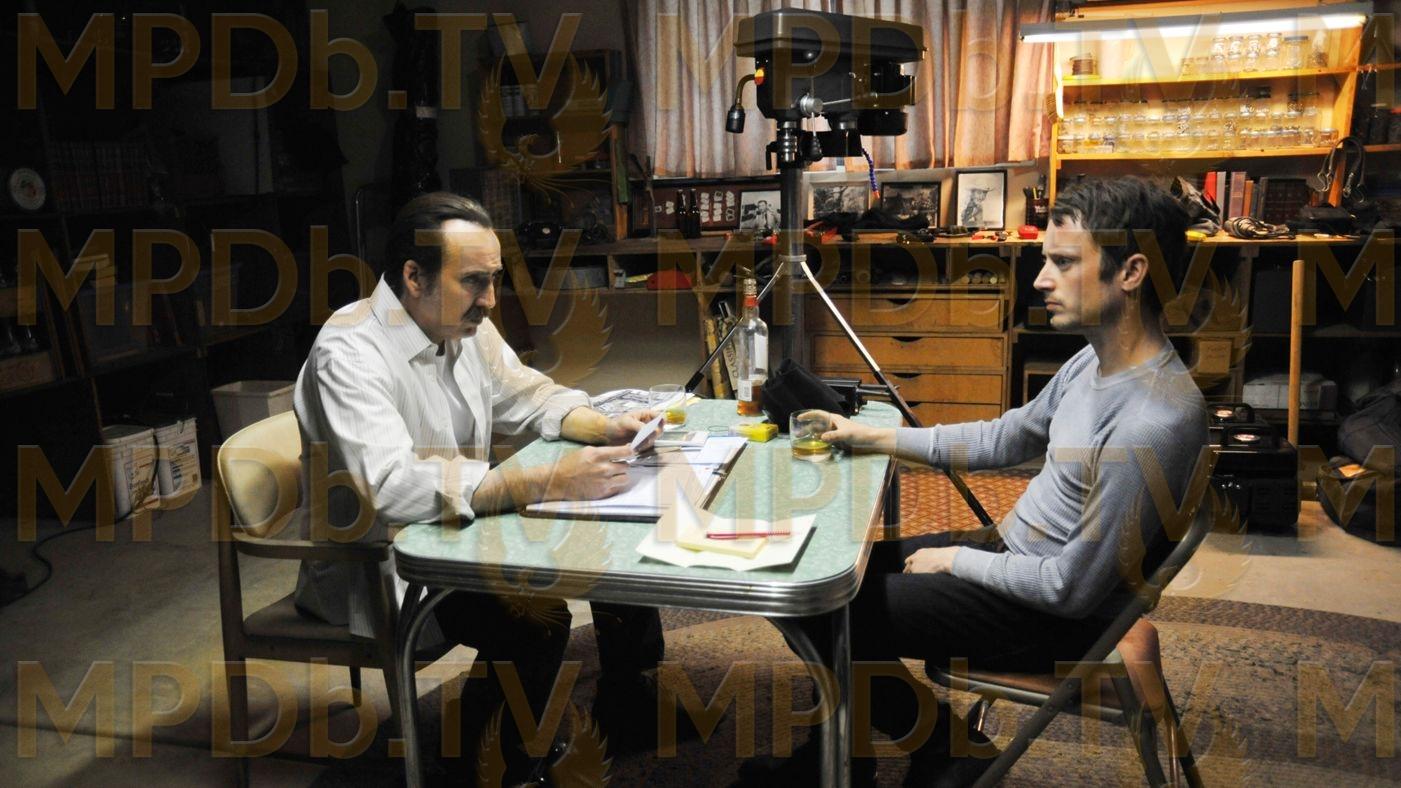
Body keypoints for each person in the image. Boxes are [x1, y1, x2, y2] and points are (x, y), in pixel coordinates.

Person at [737, 177, 1209, 787]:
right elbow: (1006, 438)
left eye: (1064, 263)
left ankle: (944, 747)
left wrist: (956, 559)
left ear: (1132, 272)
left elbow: (1070, 590)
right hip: (1013, 557)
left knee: (821, 608)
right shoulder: (1097, 359)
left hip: (1052, 616)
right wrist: (870, 436)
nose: (1040, 280)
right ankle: (852, 756)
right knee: (814, 573)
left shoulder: (1151, 421)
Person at [292, 192, 679, 781]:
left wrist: (603, 425)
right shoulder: (348, 352)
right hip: (381, 562)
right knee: (537, 618)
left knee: (614, 540)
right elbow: (392, 487)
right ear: (414, 277)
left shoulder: (461, 322)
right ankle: (482, 766)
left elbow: (528, 394)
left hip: (457, 530)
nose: (491, 299)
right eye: (475, 280)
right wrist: (547, 480)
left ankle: (628, 705)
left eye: (494, 279)